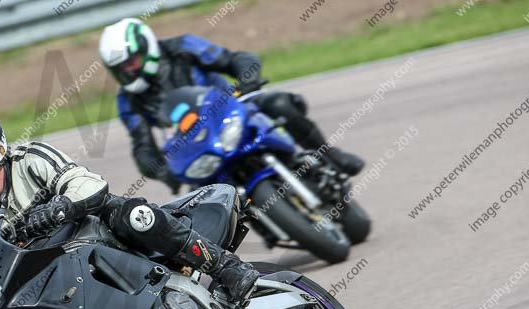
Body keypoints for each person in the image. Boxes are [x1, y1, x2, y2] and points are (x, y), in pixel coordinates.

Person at [0, 109, 259, 303]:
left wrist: (60, 208)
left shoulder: (29, 160)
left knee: (133, 215)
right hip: (48, 271)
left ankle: (225, 267)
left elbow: (87, 184)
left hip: (93, 231)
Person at [98, 18, 365, 193]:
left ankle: (330, 155)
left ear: (146, 49)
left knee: (280, 103)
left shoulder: (183, 46)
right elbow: (142, 146)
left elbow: (235, 59)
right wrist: (163, 171)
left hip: (231, 105)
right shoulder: (128, 100)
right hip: (194, 143)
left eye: (131, 61)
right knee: (199, 204)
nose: (128, 70)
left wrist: (247, 80)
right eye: (120, 68)